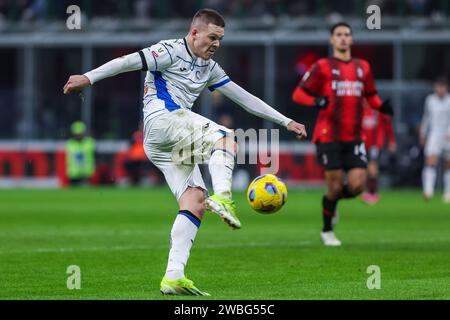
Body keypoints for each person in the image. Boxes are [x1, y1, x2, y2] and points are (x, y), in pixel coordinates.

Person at [63, 8, 306, 296]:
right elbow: (125, 62)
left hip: (166, 144)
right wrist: (88, 78)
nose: (216, 44)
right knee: (226, 138)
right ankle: (225, 198)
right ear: (194, 32)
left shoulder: (210, 68)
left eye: (220, 39)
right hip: (162, 121)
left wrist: (285, 121)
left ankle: (173, 277)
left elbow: (244, 98)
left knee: (194, 200)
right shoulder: (169, 50)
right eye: (212, 37)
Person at [291, 22, 393, 246]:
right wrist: (316, 100)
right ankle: (327, 230)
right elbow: (298, 94)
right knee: (335, 187)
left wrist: (381, 106)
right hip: (329, 136)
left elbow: (371, 95)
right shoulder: (322, 66)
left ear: (352, 39)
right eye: (339, 35)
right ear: (332, 40)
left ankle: (330, 204)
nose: (343, 38)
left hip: (355, 136)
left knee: (357, 186)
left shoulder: (362, 67)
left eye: (347, 34)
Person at [419, 77, 450, 203]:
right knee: (430, 161)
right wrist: (423, 133)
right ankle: (428, 191)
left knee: (448, 165)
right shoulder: (430, 100)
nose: (440, 89)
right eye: (438, 86)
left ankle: (448, 193)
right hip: (434, 135)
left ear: (446, 88)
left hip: (447, 135)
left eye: (442, 87)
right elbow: (426, 117)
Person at [361, 100, 396, 204]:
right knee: (365, 169)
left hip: (375, 144)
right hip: (362, 144)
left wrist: (391, 141)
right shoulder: (360, 111)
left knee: (372, 167)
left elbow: (387, 125)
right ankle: (368, 191)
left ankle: (373, 193)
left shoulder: (378, 111)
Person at [65, 121, 96, 186]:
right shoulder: (69, 143)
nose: (78, 135)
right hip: (73, 174)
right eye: (77, 134)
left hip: (87, 174)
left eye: (80, 133)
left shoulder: (90, 142)